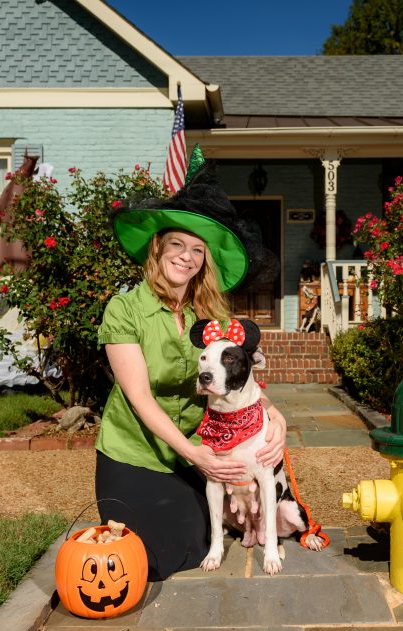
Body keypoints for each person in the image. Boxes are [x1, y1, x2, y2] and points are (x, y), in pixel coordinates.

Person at [95, 167, 286, 581]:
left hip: (203, 452)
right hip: (138, 451)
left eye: (198, 250)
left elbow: (242, 378)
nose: (187, 256)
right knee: (159, 557)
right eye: (177, 245)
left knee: (198, 542)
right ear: (158, 250)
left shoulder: (212, 317)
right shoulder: (124, 310)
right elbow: (140, 398)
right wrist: (194, 454)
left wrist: (276, 417)